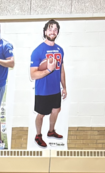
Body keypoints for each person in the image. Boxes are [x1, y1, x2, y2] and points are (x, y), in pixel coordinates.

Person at [30, 19, 67, 148]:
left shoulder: (60, 50)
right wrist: (48, 70)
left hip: (55, 89)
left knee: (56, 110)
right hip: (43, 90)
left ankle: (51, 131)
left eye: (55, 29)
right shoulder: (38, 51)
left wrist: (64, 87)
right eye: (50, 29)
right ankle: (38, 135)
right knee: (41, 114)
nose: (53, 31)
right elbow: (33, 74)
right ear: (45, 31)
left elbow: (62, 70)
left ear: (57, 32)